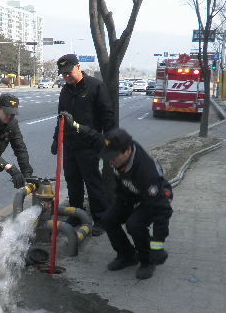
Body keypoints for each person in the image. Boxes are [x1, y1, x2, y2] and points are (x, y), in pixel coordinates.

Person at [51, 54, 115, 236]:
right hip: (70, 144)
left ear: (78, 67)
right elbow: (60, 118)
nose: (66, 76)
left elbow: (107, 116)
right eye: (63, 74)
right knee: (73, 181)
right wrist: (56, 139)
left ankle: (101, 219)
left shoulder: (95, 86)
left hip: (89, 144)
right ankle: (76, 214)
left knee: (92, 182)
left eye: (69, 72)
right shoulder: (65, 91)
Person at [98, 128, 173, 280]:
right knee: (107, 219)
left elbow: (163, 210)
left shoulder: (146, 172)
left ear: (127, 151)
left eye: (113, 157)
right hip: (131, 195)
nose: (111, 161)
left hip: (153, 198)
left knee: (134, 224)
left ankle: (147, 260)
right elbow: (122, 184)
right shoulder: (118, 158)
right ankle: (127, 255)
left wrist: (158, 245)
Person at [0, 93, 33, 188]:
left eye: (12, 114)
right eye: (7, 113)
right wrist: (9, 168)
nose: (9, 117)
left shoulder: (12, 123)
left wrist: (27, 173)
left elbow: (20, 148)